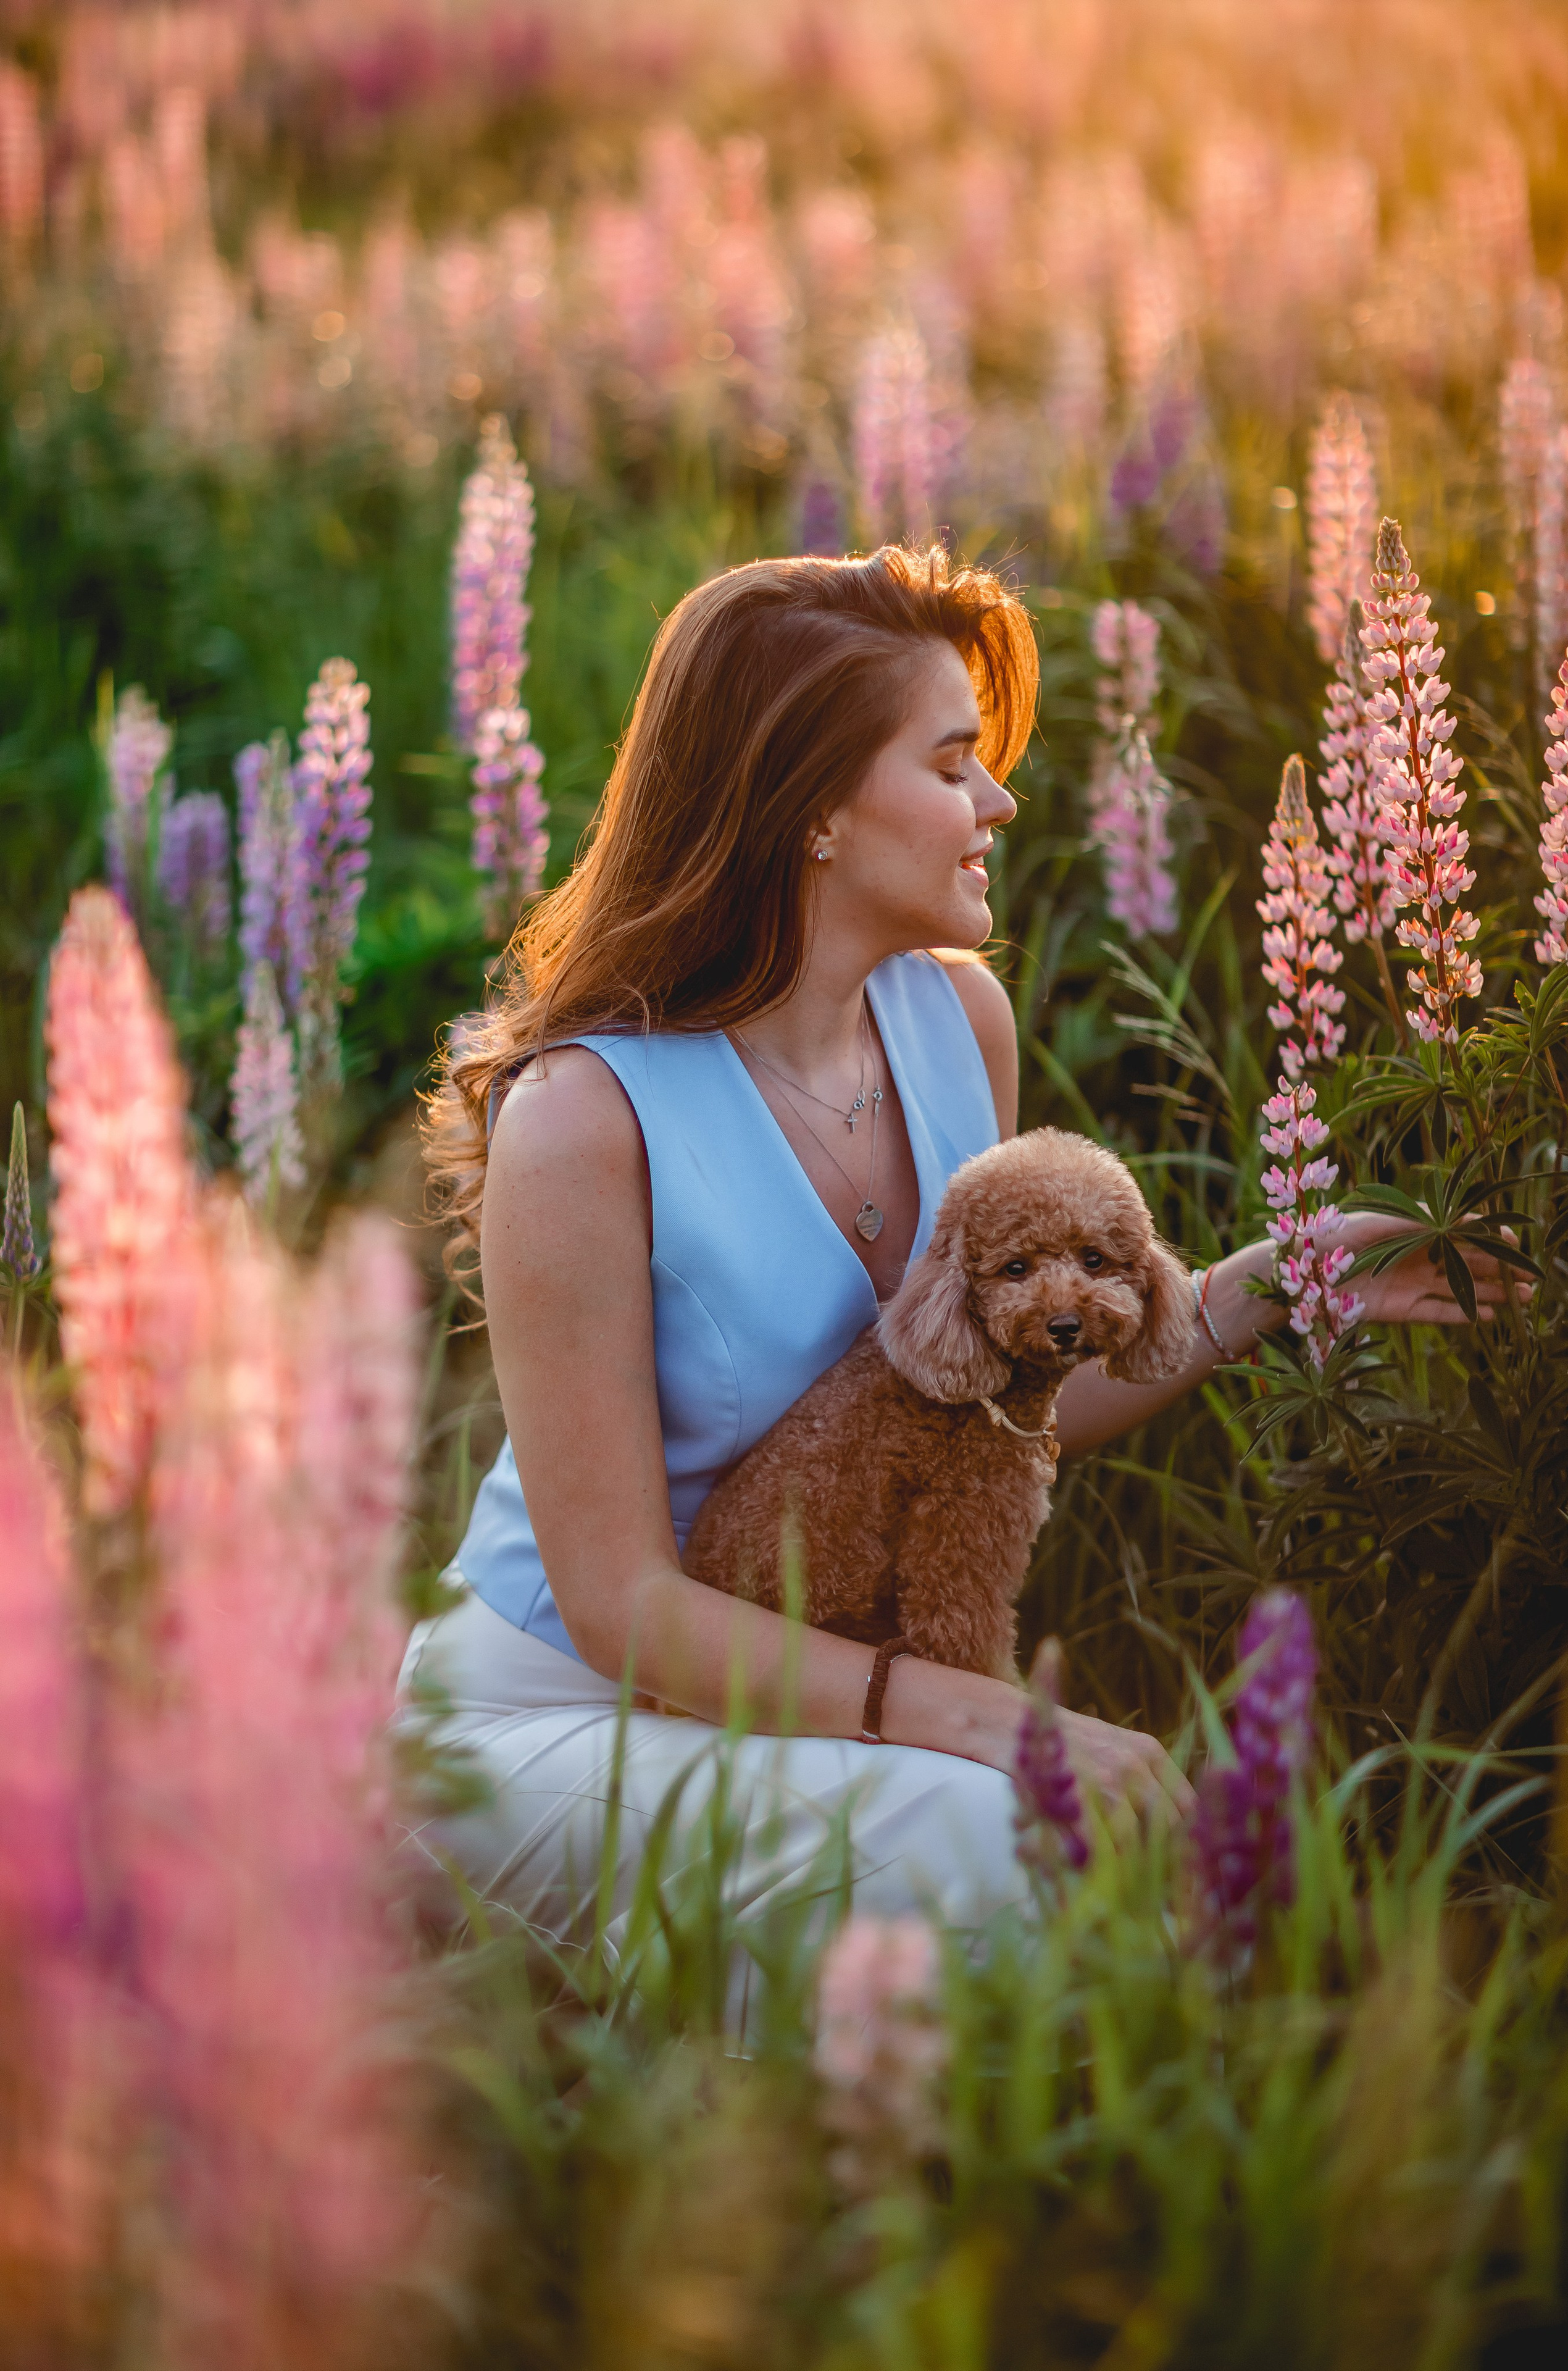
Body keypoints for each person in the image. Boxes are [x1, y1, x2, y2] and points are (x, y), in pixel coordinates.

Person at [406, 545, 1510, 1950]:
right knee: (1015, 1838)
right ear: (811, 809)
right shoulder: (582, 1115)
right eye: (950, 766)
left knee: (1061, 1846)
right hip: (568, 1709)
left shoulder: (953, 1020)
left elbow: (999, 1401)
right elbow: (622, 1608)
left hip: (810, 1693)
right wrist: (983, 1717)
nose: (999, 801)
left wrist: (1288, 1277)